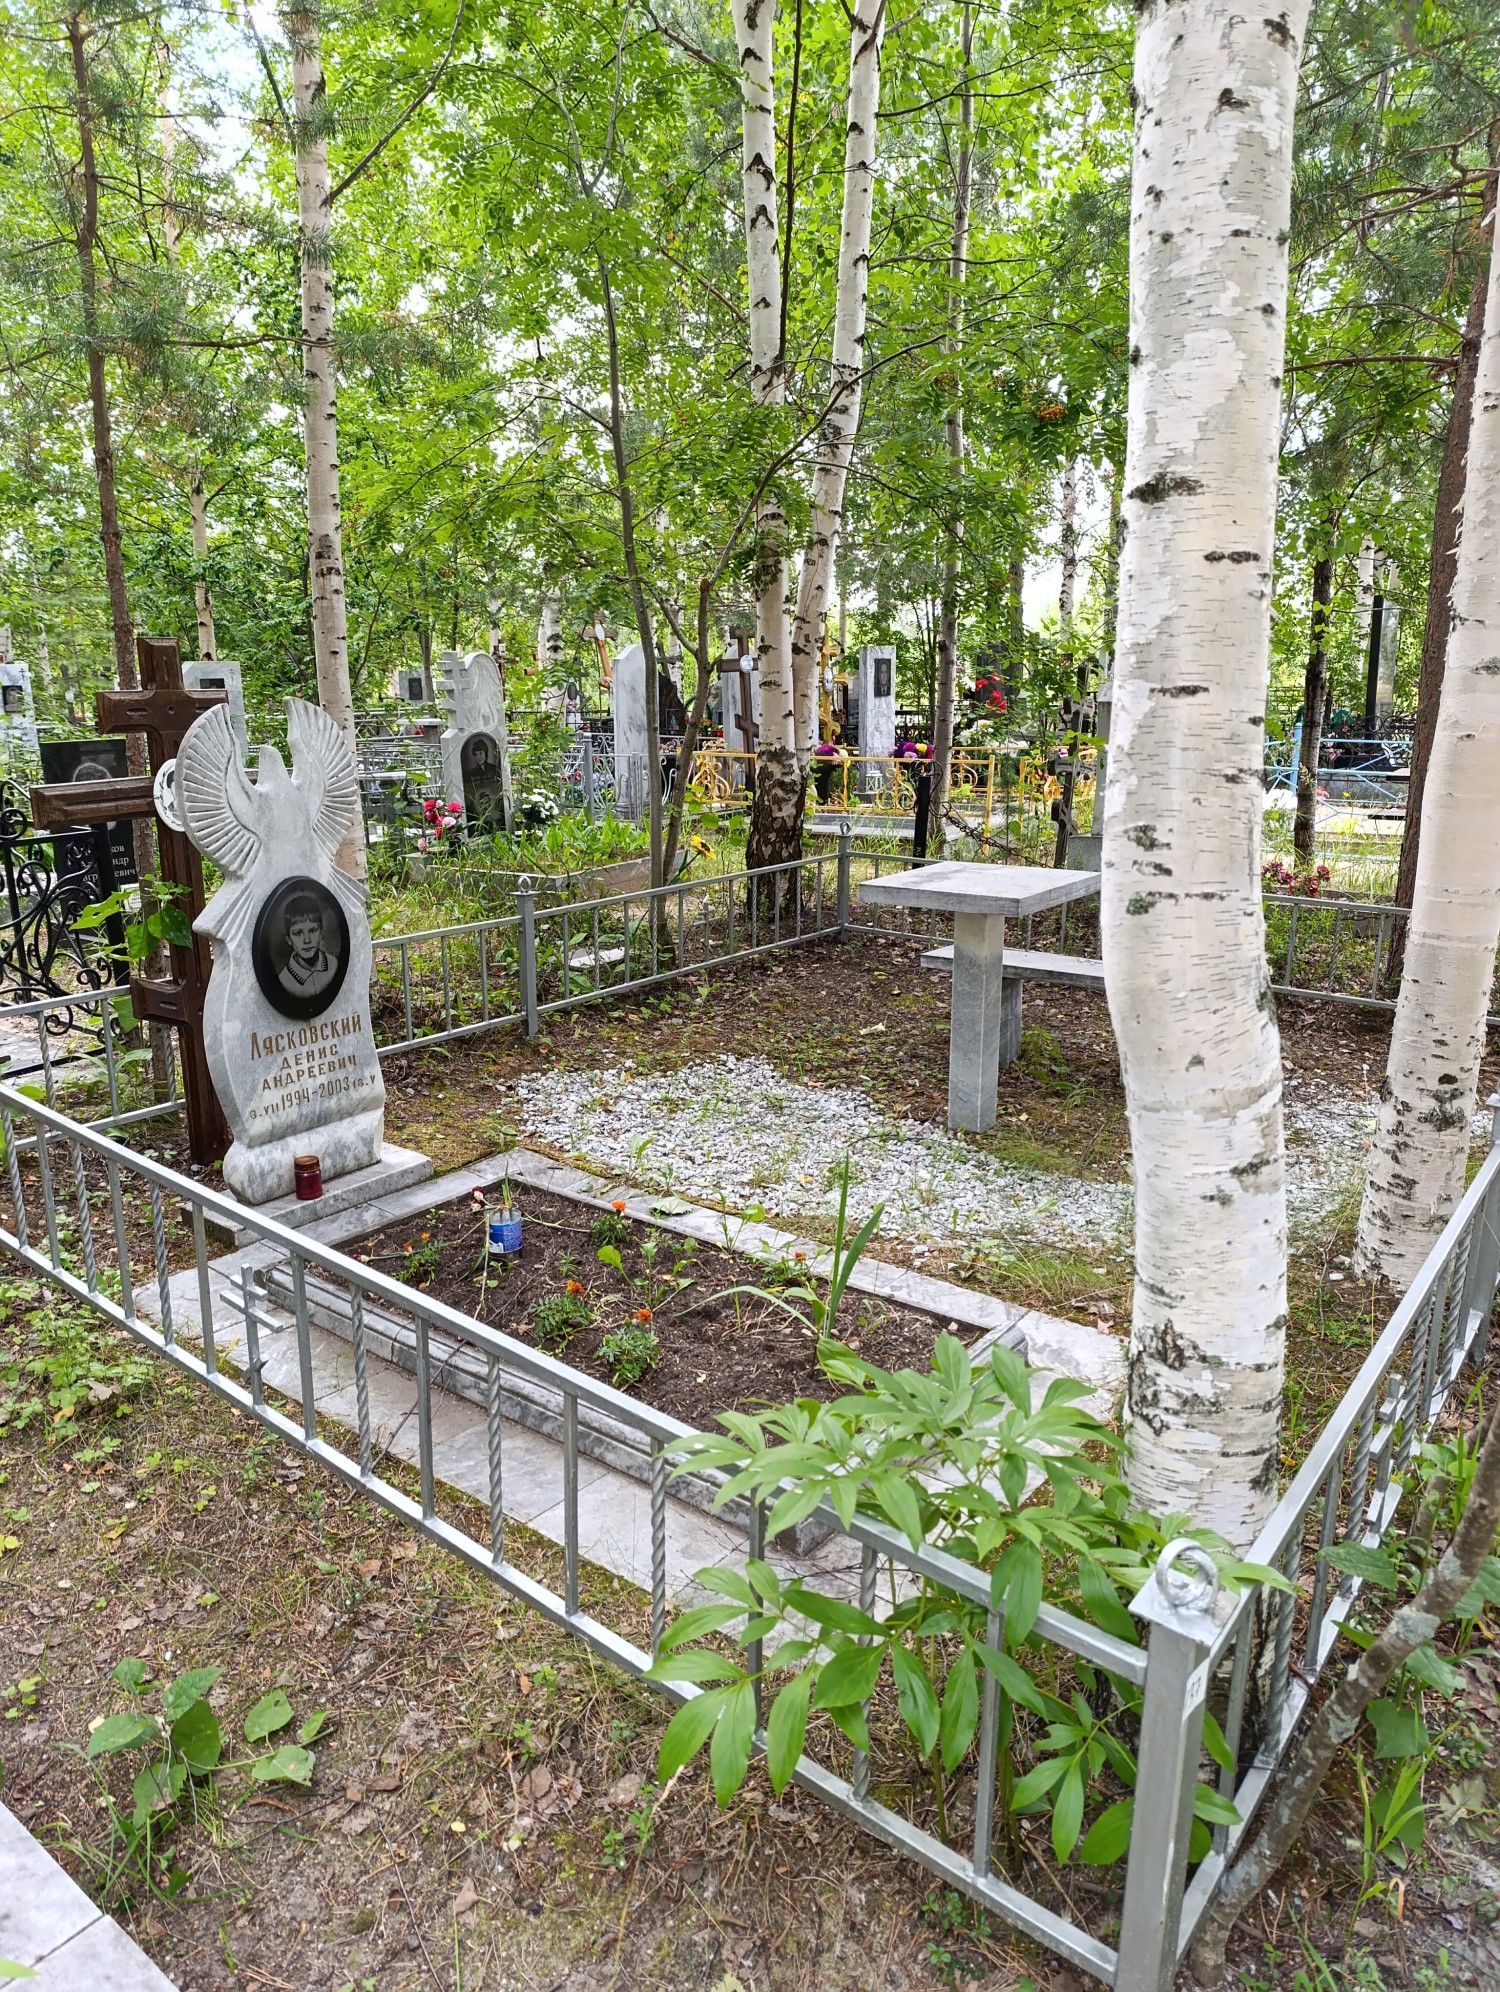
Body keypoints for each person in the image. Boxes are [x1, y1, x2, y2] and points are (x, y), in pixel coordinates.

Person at [278, 893, 338, 998]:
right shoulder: (284, 980)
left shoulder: (334, 965)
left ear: (321, 932)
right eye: (298, 933)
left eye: (313, 930)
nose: (307, 940)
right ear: (288, 939)